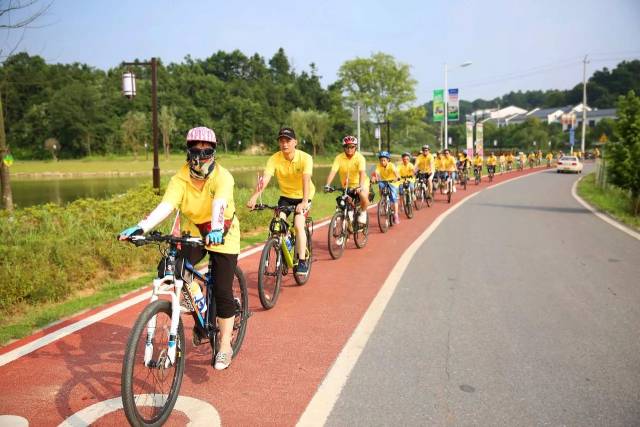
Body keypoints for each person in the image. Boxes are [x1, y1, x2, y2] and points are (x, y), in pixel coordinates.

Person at [119, 126, 240, 370]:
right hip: (193, 229)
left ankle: (225, 345)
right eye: (195, 150)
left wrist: (216, 230)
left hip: (222, 231)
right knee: (169, 267)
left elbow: (219, 203)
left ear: (214, 152)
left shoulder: (223, 177)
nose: (200, 156)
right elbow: (166, 206)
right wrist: (141, 228)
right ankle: (198, 308)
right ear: (188, 152)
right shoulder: (180, 179)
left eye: (206, 151)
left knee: (223, 290)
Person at [247, 127, 314, 277]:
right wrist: (255, 196)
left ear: (295, 142)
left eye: (288, 140)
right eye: (281, 141)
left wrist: (303, 201)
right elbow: (265, 179)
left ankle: (302, 261)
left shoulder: (305, 158)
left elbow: (306, 180)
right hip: (286, 196)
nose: (284, 144)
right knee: (278, 225)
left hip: (304, 194)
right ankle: (285, 245)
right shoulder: (274, 158)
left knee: (298, 224)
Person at [324, 135, 370, 223]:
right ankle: (346, 233)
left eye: (352, 147)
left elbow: (362, 173)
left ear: (355, 147)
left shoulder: (360, 158)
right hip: (346, 185)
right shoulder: (339, 158)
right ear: (343, 147)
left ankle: (363, 212)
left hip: (361, 183)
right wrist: (327, 185)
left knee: (363, 196)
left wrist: (360, 186)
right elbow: (333, 172)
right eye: (346, 147)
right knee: (345, 206)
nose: (349, 149)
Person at [371, 151, 401, 224]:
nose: (382, 162)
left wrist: (397, 177)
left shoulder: (391, 165)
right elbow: (376, 173)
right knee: (380, 186)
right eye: (381, 160)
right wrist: (373, 178)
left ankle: (396, 215)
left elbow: (396, 173)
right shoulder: (378, 166)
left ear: (388, 160)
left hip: (392, 182)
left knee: (394, 198)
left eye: (384, 160)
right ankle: (383, 200)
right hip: (384, 181)